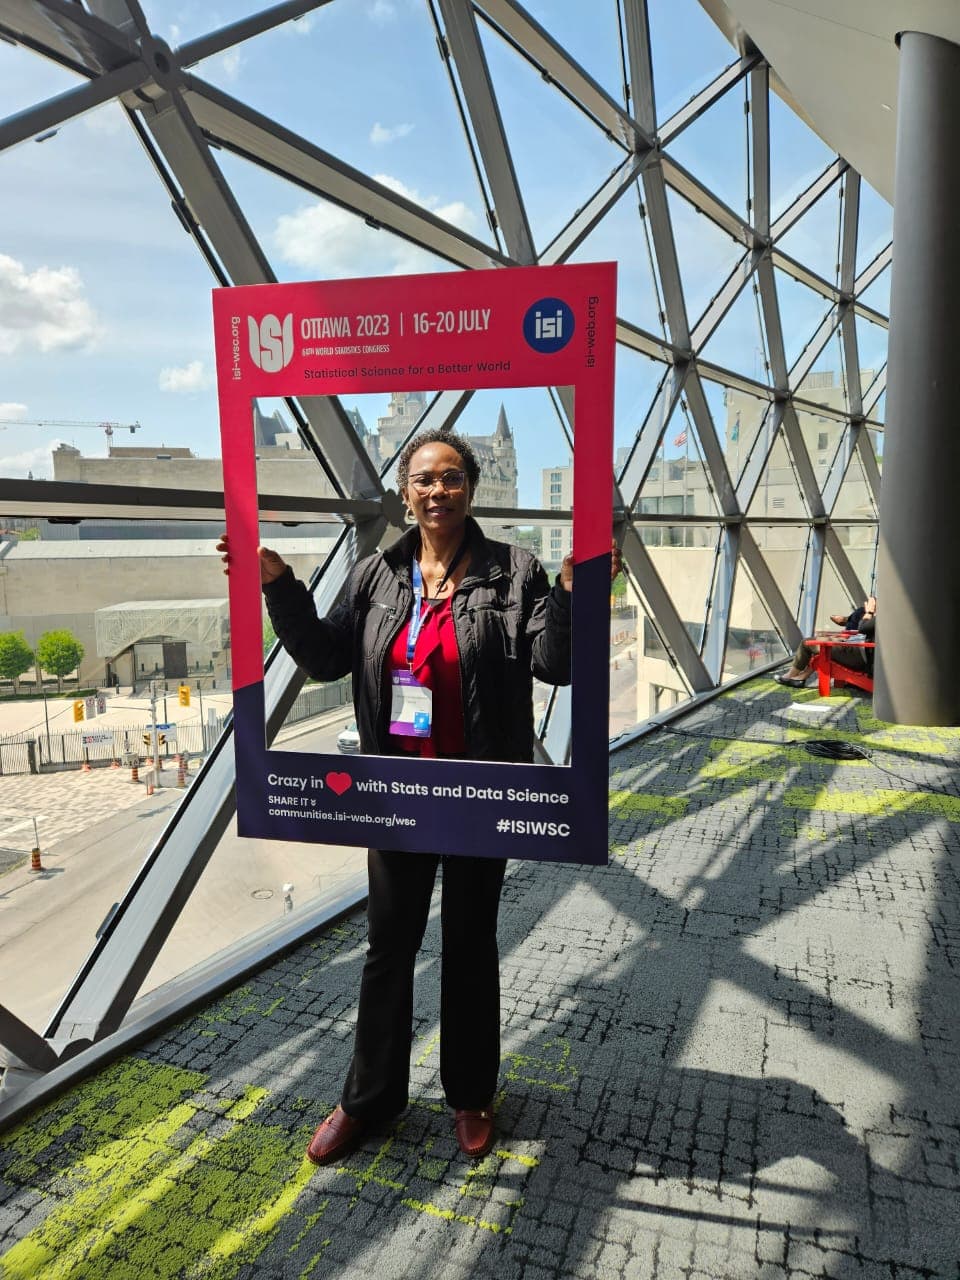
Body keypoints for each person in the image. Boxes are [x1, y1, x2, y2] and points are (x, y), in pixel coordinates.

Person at [218, 428, 616, 1165]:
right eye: (425, 479)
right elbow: (330, 656)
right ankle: (368, 1100)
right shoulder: (377, 574)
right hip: (397, 792)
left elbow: (554, 665)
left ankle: (470, 1094)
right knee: (388, 948)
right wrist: (276, 581)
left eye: (452, 478)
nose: (438, 491)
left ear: (471, 488)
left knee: (468, 948)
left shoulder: (514, 570)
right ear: (406, 491)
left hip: (479, 793)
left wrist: (568, 593)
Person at [774, 596, 876, 687]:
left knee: (807, 643)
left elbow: (863, 628)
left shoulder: (884, 618)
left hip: (862, 657)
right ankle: (800, 677)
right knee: (824, 641)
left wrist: (870, 612)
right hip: (863, 650)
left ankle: (792, 674)